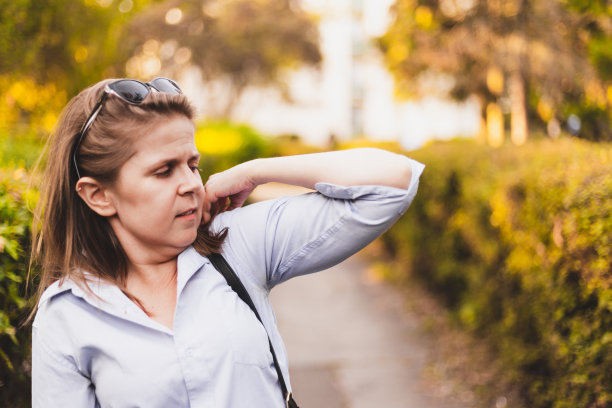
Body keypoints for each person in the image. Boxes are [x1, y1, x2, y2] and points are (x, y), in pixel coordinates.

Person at [30, 77, 424, 408]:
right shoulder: (67, 314)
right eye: (164, 170)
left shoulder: (234, 244)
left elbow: (393, 182)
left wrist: (257, 171)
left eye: (192, 164)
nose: (189, 184)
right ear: (98, 195)